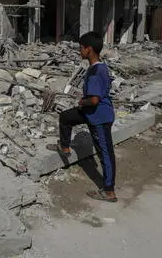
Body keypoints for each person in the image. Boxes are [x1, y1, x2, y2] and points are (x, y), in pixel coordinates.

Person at [48, 31, 117, 202]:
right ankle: (65, 148)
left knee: (106, 154)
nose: (80, 51)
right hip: (92, 113)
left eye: (81, 48)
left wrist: (82, 102)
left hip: (99, 116)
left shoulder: (94, 72)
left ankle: (109, 192)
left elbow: (93, 100)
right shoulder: (100, 67)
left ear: (89, 49)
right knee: (65, 117)